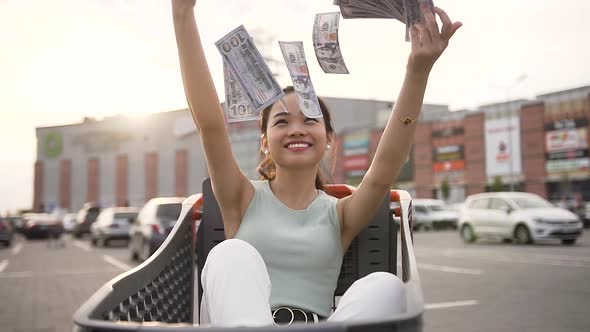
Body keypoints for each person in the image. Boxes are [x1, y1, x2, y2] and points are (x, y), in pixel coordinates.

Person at [171, 0, 461, 327]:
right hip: (245, 321)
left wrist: (418, 71)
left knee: (387, 285)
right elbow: (210, 126)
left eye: (310, 119)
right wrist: (182, 14)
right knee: (230, 254)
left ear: (328, 139)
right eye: (282, 122)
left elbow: (386, 166)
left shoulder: (340, 215)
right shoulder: (241, 198)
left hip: (320, 325)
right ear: (264, 141)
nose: (297, 128)